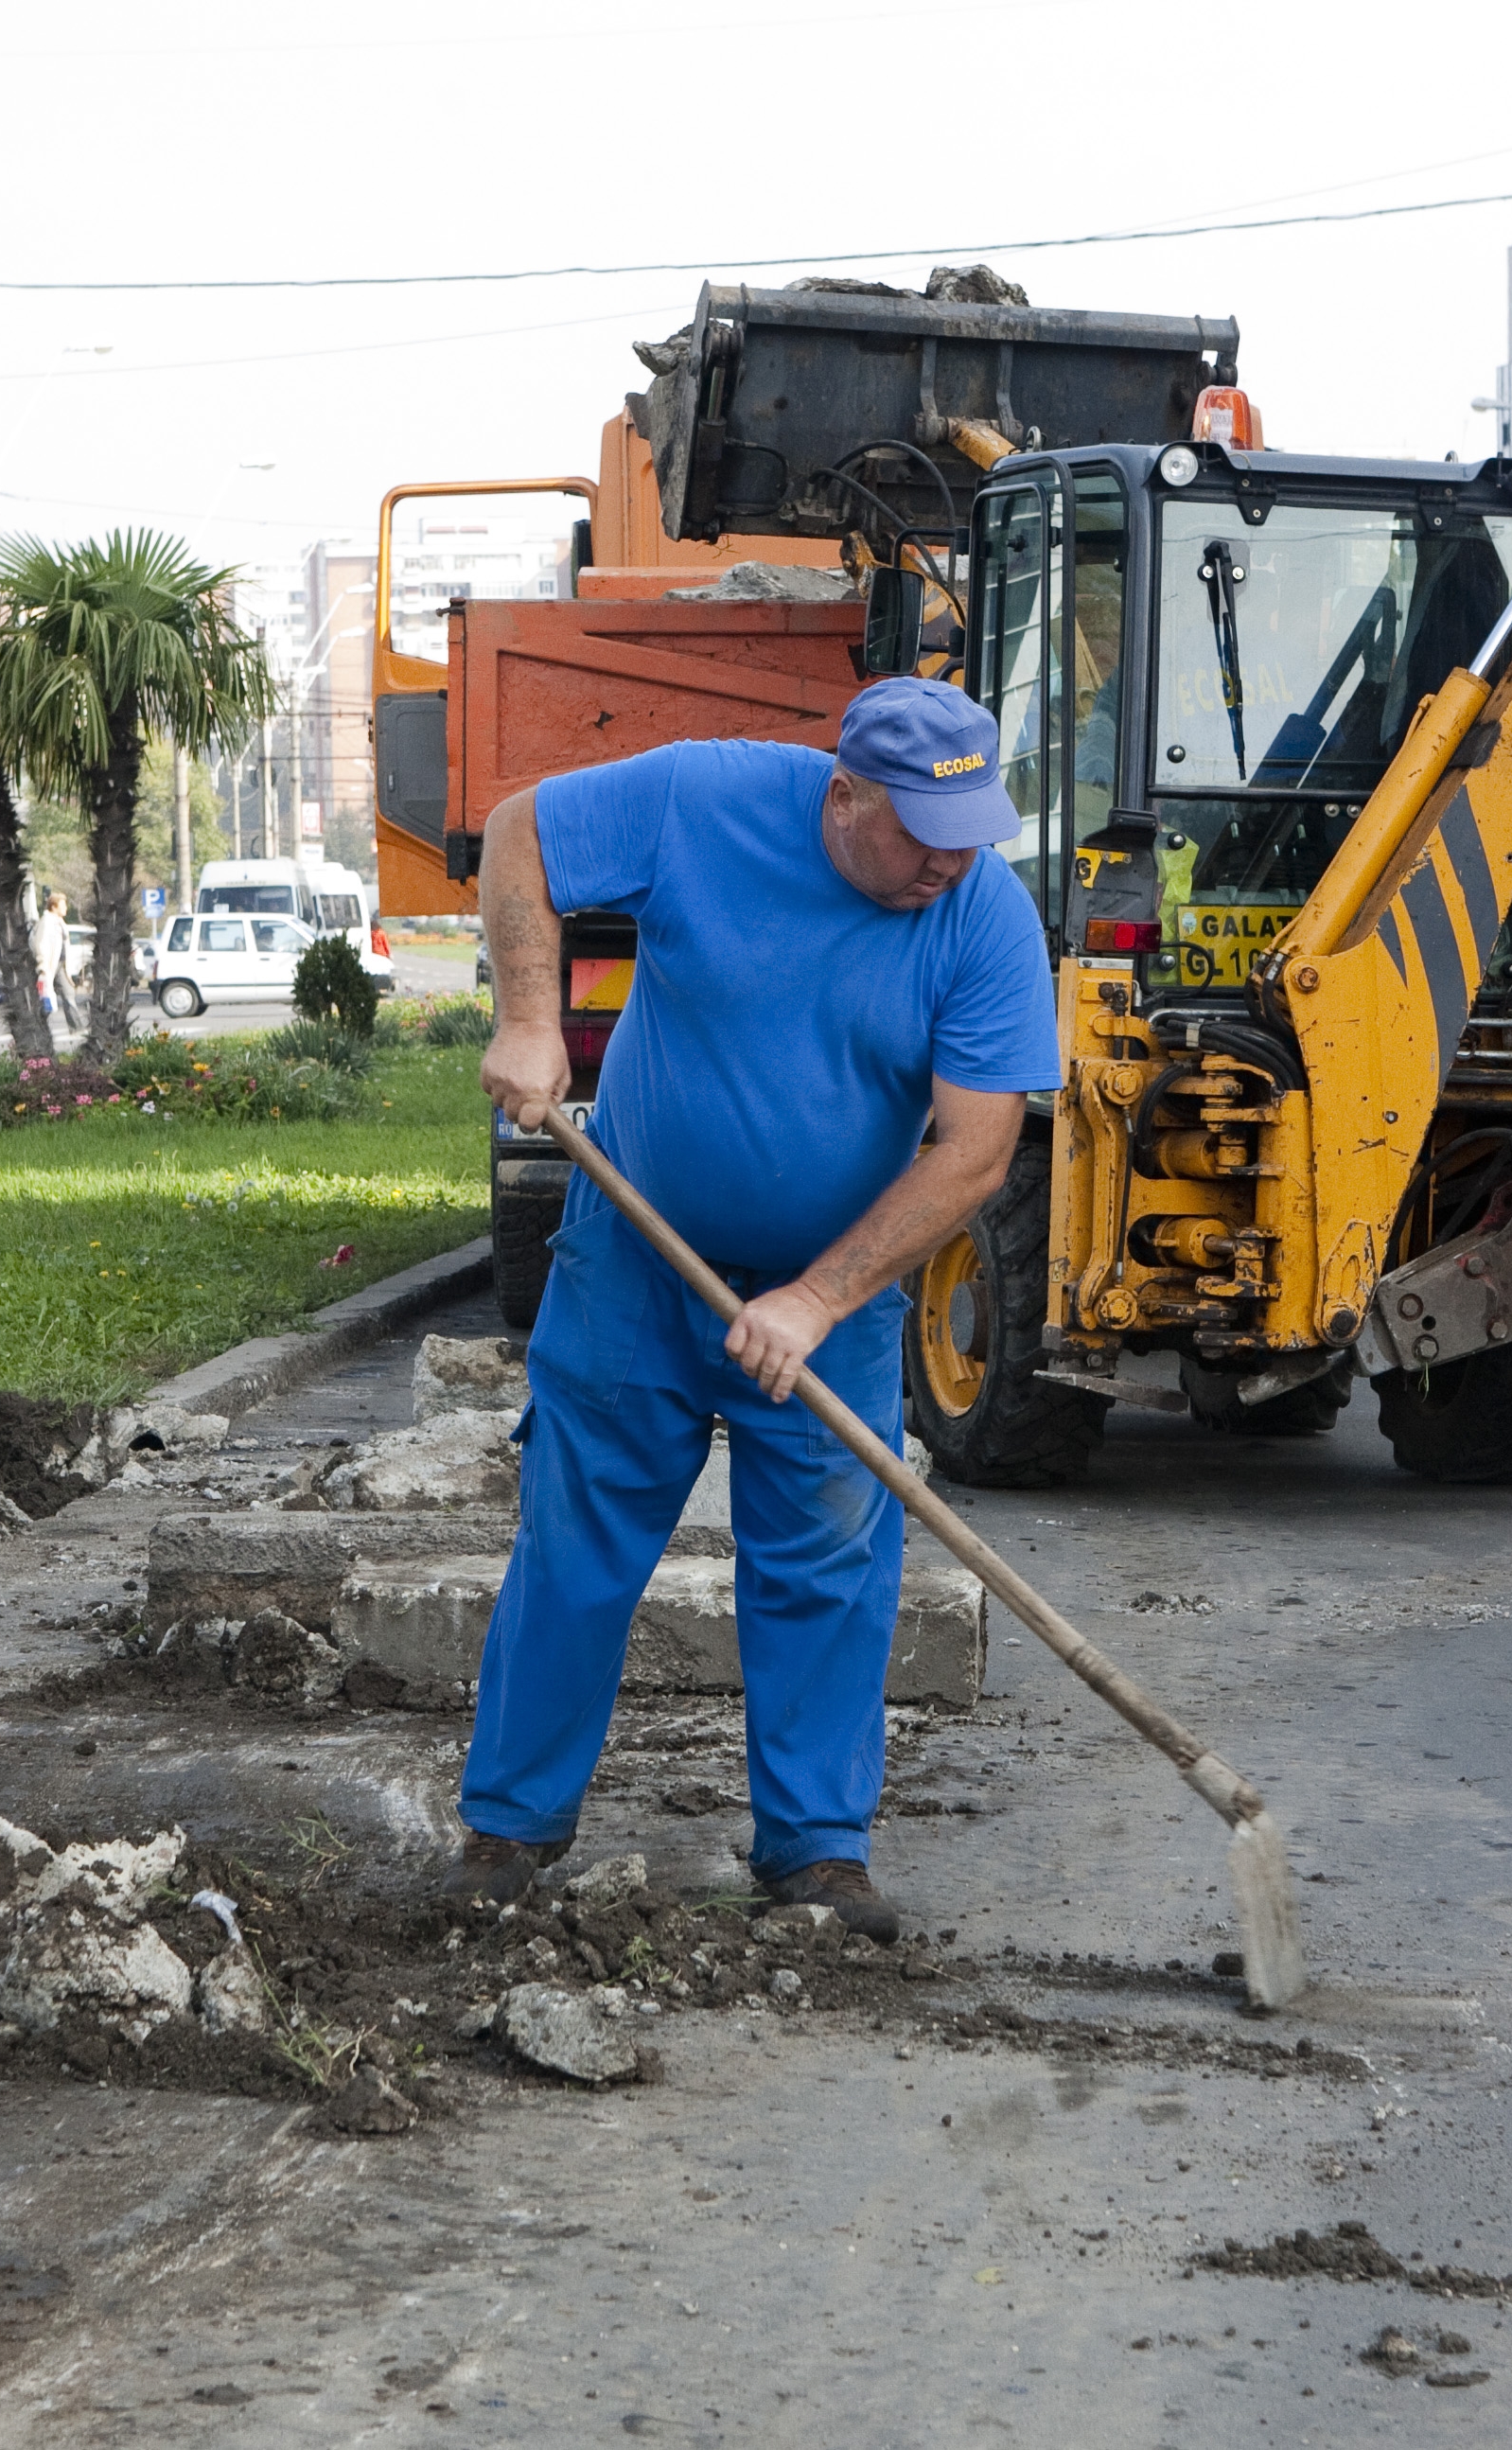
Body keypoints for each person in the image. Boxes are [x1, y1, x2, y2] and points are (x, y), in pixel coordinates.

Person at [452, 676, 1058, 1941]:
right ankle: (509, 1828)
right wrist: (525, 1018)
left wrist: (818, 1296)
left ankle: (815, 1854)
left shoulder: (981, 920)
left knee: (830, 1564)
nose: (949, 865)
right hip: (636, 1254)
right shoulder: (705, 799)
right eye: (922, 837)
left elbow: (973, 1154)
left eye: (971, 839)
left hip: (828, 1291)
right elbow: (521, 831)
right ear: (845, 798)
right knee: (577, 1542)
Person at [31, 890, 80, 1032]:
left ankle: (76, 1028)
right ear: (54, 906)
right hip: (50, 965)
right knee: (46, 996)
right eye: (63, 905)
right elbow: (40, 943)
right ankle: (38, 1027)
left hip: (62, 965)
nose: (66, 908)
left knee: (68, 993)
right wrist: (42, 965)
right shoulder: (47, 922)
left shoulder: (60, 922)